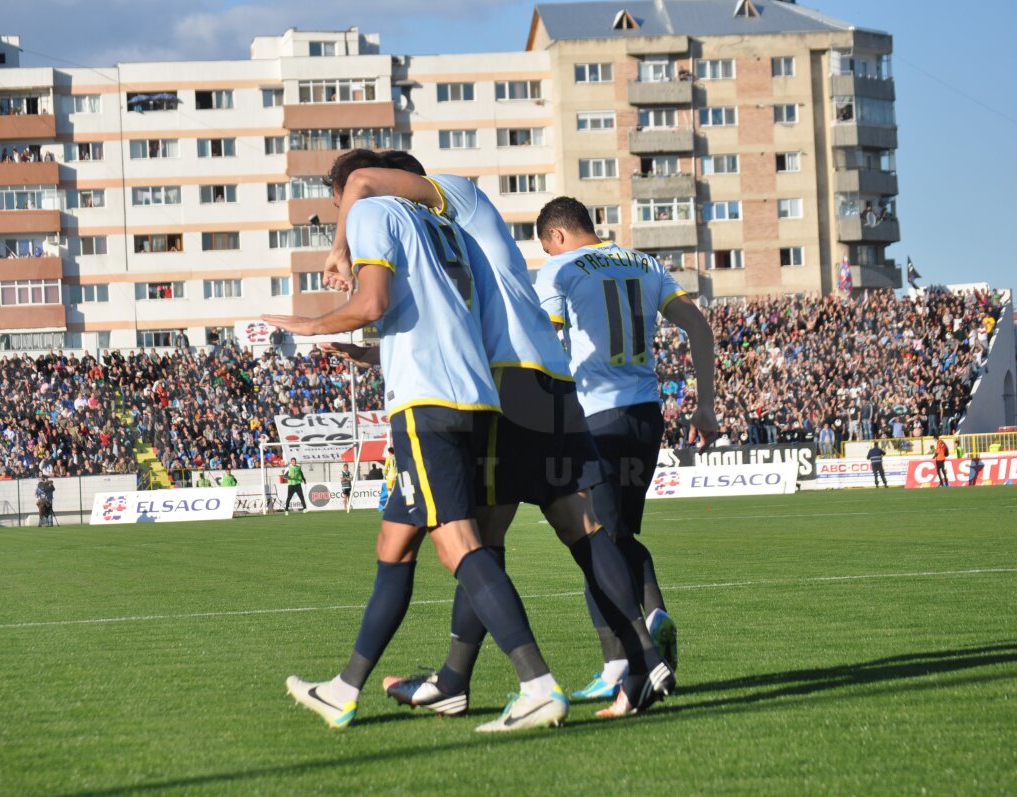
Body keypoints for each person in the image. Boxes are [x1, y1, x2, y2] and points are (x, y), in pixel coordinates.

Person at [321, 153, 679, 720]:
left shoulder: (447, 199)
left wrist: (342, 247)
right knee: (575, 522)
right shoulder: (438, 232)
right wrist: (372, 352)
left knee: (476, 540)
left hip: (506, 381)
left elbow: (366, 184)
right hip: (545, 375)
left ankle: (491, 681)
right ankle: (641, 662)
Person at [263, 149, 568, 732]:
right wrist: (370, 350)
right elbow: (430, 316)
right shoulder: (440, 223)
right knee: (395, 542)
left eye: (339, 204)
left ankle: (537, 685)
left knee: (457, 545)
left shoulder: (375, 212)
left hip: (427, 402)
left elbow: (371, 304)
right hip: (473, 394)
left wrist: (303, 325)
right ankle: (345, 688)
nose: (342, 215)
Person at [533, 196, 717, 711]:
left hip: (596, 416)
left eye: (546, 244)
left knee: (596, 540)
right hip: (645, 414)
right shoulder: (645, 262)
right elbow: (699, 326)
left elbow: (546, 340)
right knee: (616, 536)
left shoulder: (559, 268)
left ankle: (630, 659)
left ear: (557, 236)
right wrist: (705, 406)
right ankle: (638, 642)